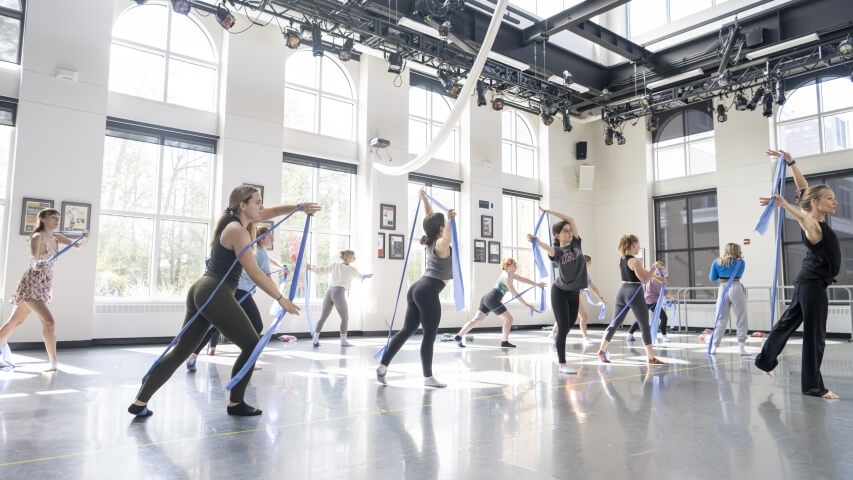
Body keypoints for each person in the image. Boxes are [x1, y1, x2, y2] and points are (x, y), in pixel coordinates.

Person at [128, 185, 320, 417]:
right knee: (251, 344)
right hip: (215, 290)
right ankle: (236, 403)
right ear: (243, 205)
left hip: (204, 288)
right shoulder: (237, 230)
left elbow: (270, 212)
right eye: (257, 202)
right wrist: (281, 298)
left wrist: (298, 207)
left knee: (182, 350)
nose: (261, 207)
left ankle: (139, 402)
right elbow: (255, 272)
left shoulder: (235, 223)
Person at [754, 150, 840, 400]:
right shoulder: (812, 223)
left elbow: (805, 191)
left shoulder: (816, 214)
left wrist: (792, 163)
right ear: (816, 203)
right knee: (815, 335)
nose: (835, 202)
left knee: (788, 323)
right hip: (812, 284)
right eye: (831, 198)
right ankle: (814, 386)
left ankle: (765, 361)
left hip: (809, 282)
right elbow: (802, 215)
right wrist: (785, 205)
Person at [376, 189, 454, 388]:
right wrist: (450, 220)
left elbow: (429, 219)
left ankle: (383, 367)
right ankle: (428, 377)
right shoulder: (439, 244)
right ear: (441, 228)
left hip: (417, 288)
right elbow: (447, 239)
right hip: (427, 291)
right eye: (443, 226)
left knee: (406, 330)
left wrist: (424, 200)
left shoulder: (429, 240)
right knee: (429, 335)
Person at [0, 208, 88, 372]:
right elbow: (33, 257)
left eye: (58, 218)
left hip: (44, 282)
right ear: (42, 219)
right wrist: (37, 264)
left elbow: (79, 247)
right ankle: (53, 363)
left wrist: (84, 238)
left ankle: (52, 363)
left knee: (15, 321)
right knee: (49, 322)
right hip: (33, 282)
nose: (57, 220)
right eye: (53, 217)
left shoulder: (56, 237)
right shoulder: (37, 236)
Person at [186, 225, 282, 371]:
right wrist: (280, 296)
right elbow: (267, 279)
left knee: (214, 325)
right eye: (270, 237)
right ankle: (248, 360)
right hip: (241, 291)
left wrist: (282, 266)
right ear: (262, 238)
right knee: (256, 325)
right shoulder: (261, 253)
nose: (272, 240)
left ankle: (193, 357)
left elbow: (269, 261)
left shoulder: (252, 249)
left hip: (230, 290)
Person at [526, 207, 588, 374]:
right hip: (560, 292)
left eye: (569, 231)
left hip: (574, 292)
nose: (569, 233)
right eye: (565, 231)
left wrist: (549, 211)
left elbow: (572, 218)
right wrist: (537, 242)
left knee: (569, 324)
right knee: (562, 327)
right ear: (557, 235)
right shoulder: (558, 252)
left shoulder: (576, 243)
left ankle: (556, 342)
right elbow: (549, 249)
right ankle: (562, 364)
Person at [596, 235, 665, 365]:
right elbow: (644, 279)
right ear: (633, 244)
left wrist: (656, 275)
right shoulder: (635, 261)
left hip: (622, 291)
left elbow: (645, 273)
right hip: (634, 291)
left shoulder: (622, 259)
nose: (639, 246)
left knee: (614, 323)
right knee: (644, 325)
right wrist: (654, 268)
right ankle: (651, 358)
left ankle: (601, 350)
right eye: (638, 244)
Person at [454, 257, 545, 348]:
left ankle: (459, 336)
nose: (516, 266)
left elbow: (523, 279)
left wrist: (537, 284)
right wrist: (527, 305)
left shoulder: (510, 274)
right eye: (514, 264)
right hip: (492, 299)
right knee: (509, 319)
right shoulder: (506, 277)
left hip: (487, 298)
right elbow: (515, 293)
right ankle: (504, 341)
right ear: (508, 266)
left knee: (477, 320)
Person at [307, 249, 373, 347]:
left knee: (323, 317)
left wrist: (310, 268)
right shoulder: (352, 270)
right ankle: (343, 341)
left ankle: (315, 340)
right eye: (352, 257)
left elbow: (321, 270)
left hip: (329, 291)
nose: (354, 258)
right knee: (345, 317)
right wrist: (367, 276)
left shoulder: (335, 265)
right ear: (349, 258)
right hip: (338, 292)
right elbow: (360, 277)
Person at [548, 255, 605, 344]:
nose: (589, 265)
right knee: (573, 317)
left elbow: (591, 286)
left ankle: (583, 337)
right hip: (566, 296)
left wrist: (599, 298)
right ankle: (555, 333)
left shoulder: (585, 274)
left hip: (574, 297)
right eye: (589, 264)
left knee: (581, 316)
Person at [708, 243, 749, 356]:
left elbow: (712, 278)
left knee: (721, 318)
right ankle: (741, 347)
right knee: (741, 317)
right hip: (736, 287)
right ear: (736, 251)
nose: (741, 252)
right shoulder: (741, 262)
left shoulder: (717, 262)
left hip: (722, 289)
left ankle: (714, 347)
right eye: (739, 250)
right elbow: (739, 274)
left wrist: (721, 272)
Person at [627, 262, 671, 343]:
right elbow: (665, 292)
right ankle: (664, 336)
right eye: (662, 269)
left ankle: (630, 334)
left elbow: (664, 283)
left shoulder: (650, 278)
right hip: (651, 302)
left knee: (640, 318)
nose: (663, 271)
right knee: (664, 317)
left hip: (645, 301)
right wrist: (674, 298)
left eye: (663, 270)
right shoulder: (655, 280)